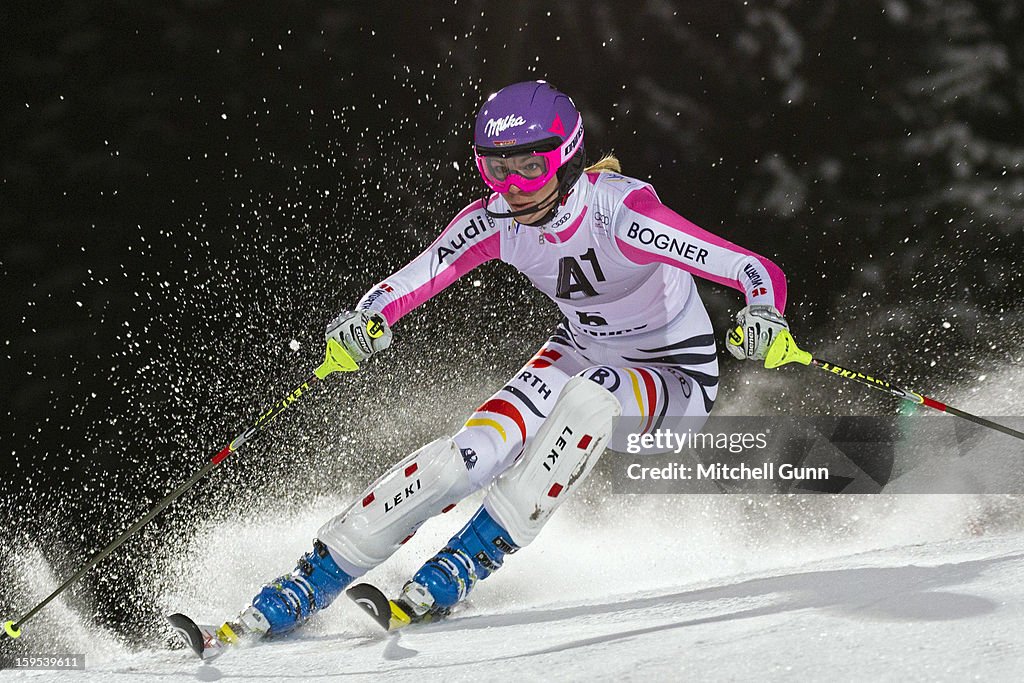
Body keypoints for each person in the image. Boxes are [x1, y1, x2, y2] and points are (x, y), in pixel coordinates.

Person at [217, 80, 791, 641]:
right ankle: (313, 579)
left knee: (592, 397)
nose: (512, 187)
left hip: (675, 380)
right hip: (583, 352)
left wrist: (765, 313)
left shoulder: (623, 217)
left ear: (566, 159)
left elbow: (752, 269)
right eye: (496, 169)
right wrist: (365, 321)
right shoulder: (495, 222)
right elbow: (411, 282)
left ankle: (467, 559)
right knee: (465, 457)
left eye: (529, 168)